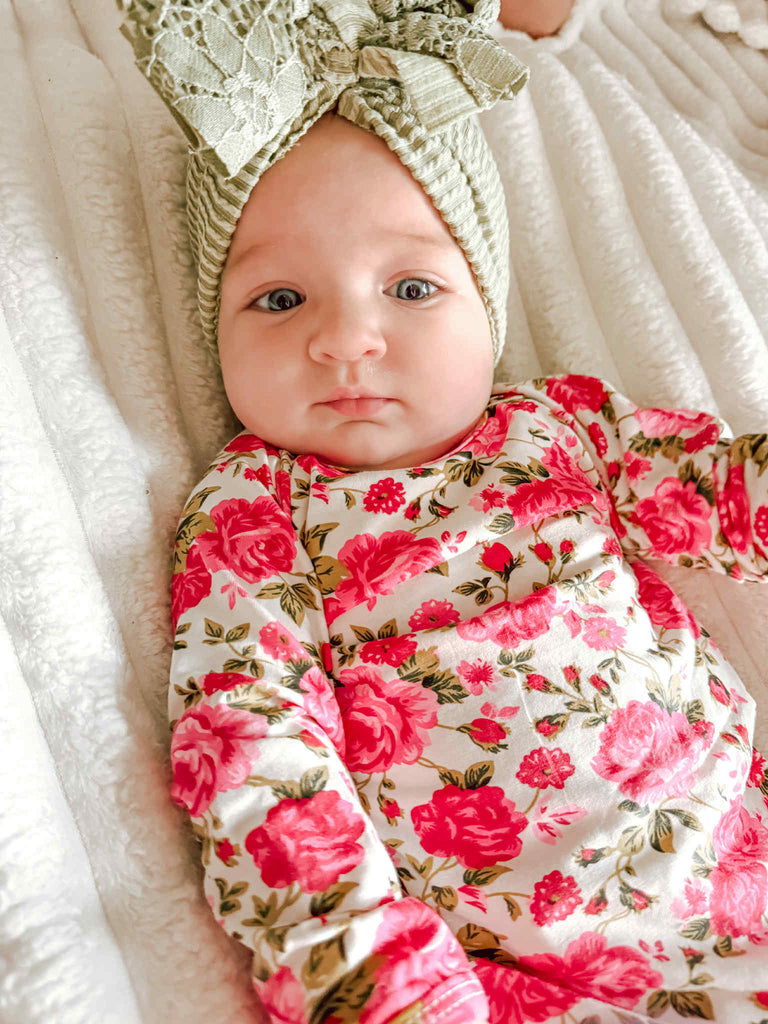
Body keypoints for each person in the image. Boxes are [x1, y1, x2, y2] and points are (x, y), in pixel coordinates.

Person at [120, 0, 768, 1021]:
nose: (347, 339)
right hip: (514, 970)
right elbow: (257, 747)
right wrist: (377, 977)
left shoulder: (561, 428)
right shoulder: (257, 510)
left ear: (487, 307)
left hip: (736, 847)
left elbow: (722, 493)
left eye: (412, 288)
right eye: (280, 300)